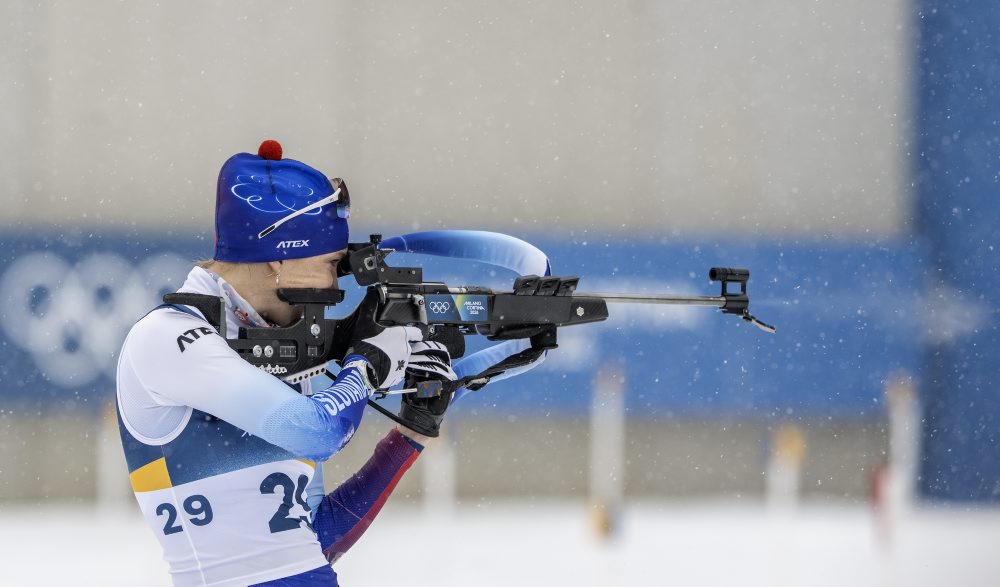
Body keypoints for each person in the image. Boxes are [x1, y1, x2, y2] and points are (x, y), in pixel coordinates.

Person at [116, 140, 454, 586]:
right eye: (331, 264)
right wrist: (365, 365)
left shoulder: (283, 355)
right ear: (279, 257)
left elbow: (310, 544)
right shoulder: (166, 337)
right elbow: (317, 432)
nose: (335, 284)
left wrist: (407, 437)